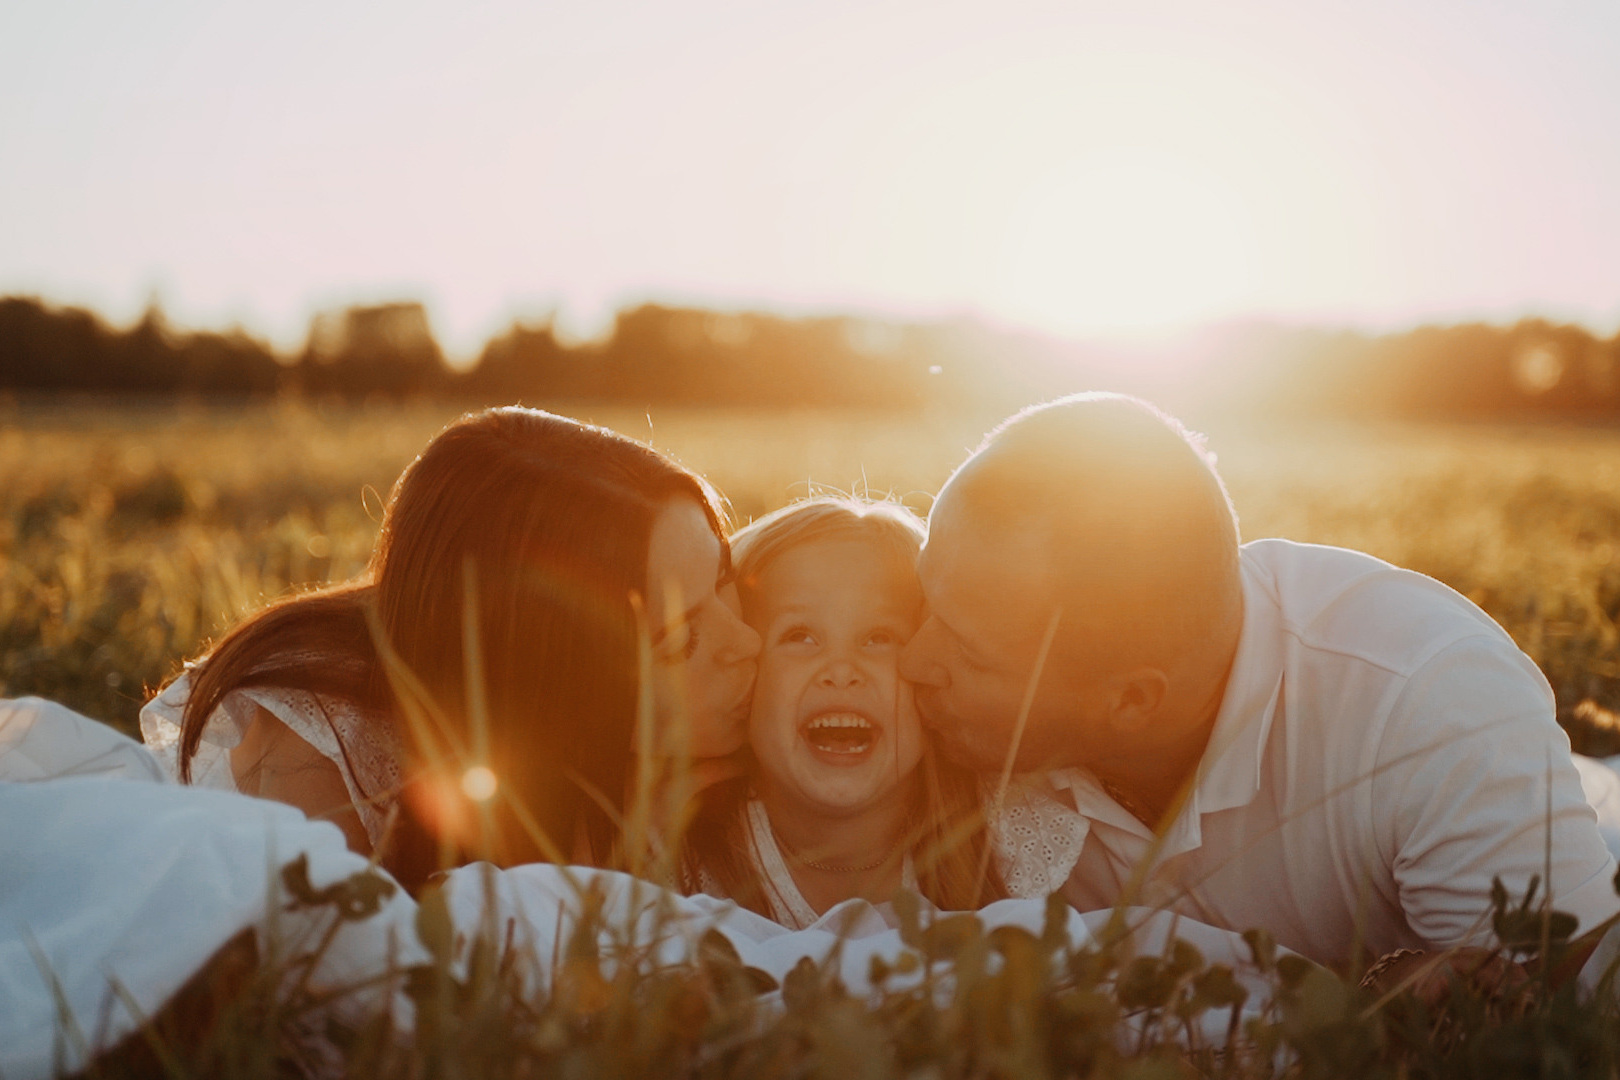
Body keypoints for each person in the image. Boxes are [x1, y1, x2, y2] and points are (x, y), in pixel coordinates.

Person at [898, 392, 1620, 991]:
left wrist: (1371, 1008)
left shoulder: (1429, 702)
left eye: (963, 649)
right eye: (920, 600)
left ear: (1130, 703)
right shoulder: (932, 706)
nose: (910, 658)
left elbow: (1556, 1000)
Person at [141, 406, 761, 890]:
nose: (748, 642)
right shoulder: (321, 752)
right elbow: (349, 1001)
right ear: (546, 677)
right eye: (683, 640)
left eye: (725, 580)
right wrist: (633, 844)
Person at [687, 497, 1084, 926]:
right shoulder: (688, 858)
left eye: (879, 637)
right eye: (800, 636)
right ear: (746, 674)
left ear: (928, 670)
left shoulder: (1008, 833)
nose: (841, 671)